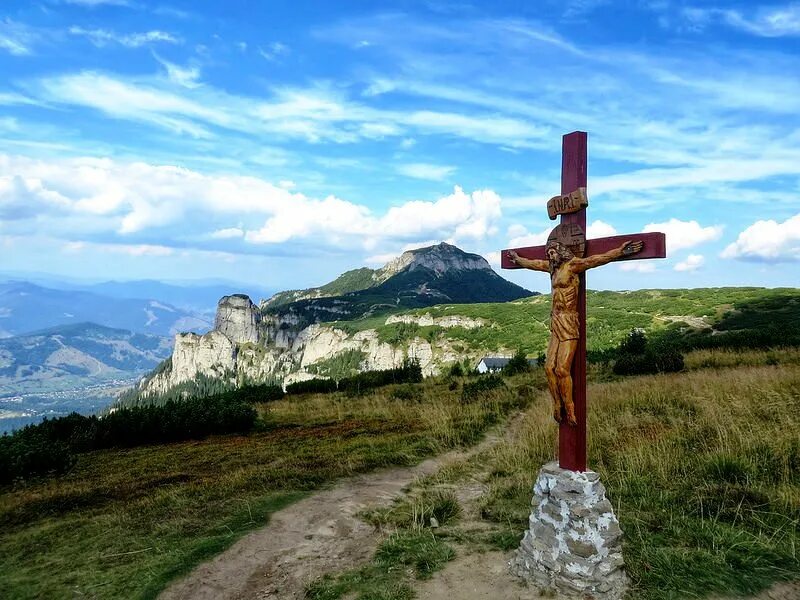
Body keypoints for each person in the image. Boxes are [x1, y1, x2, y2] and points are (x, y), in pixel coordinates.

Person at [508, 239, 643, 425]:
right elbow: (535, 264)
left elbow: (596, 259)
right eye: (548, 253)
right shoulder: (552, 269)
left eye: (553, 252)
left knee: (562, 369)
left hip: (569, 320)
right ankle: (557, 404)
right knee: (548, 368)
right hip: (555, 320)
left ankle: (570, 408)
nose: (550, 256)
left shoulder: (573, 265)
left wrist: (619, 252)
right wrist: (518, 259)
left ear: (562, 251)